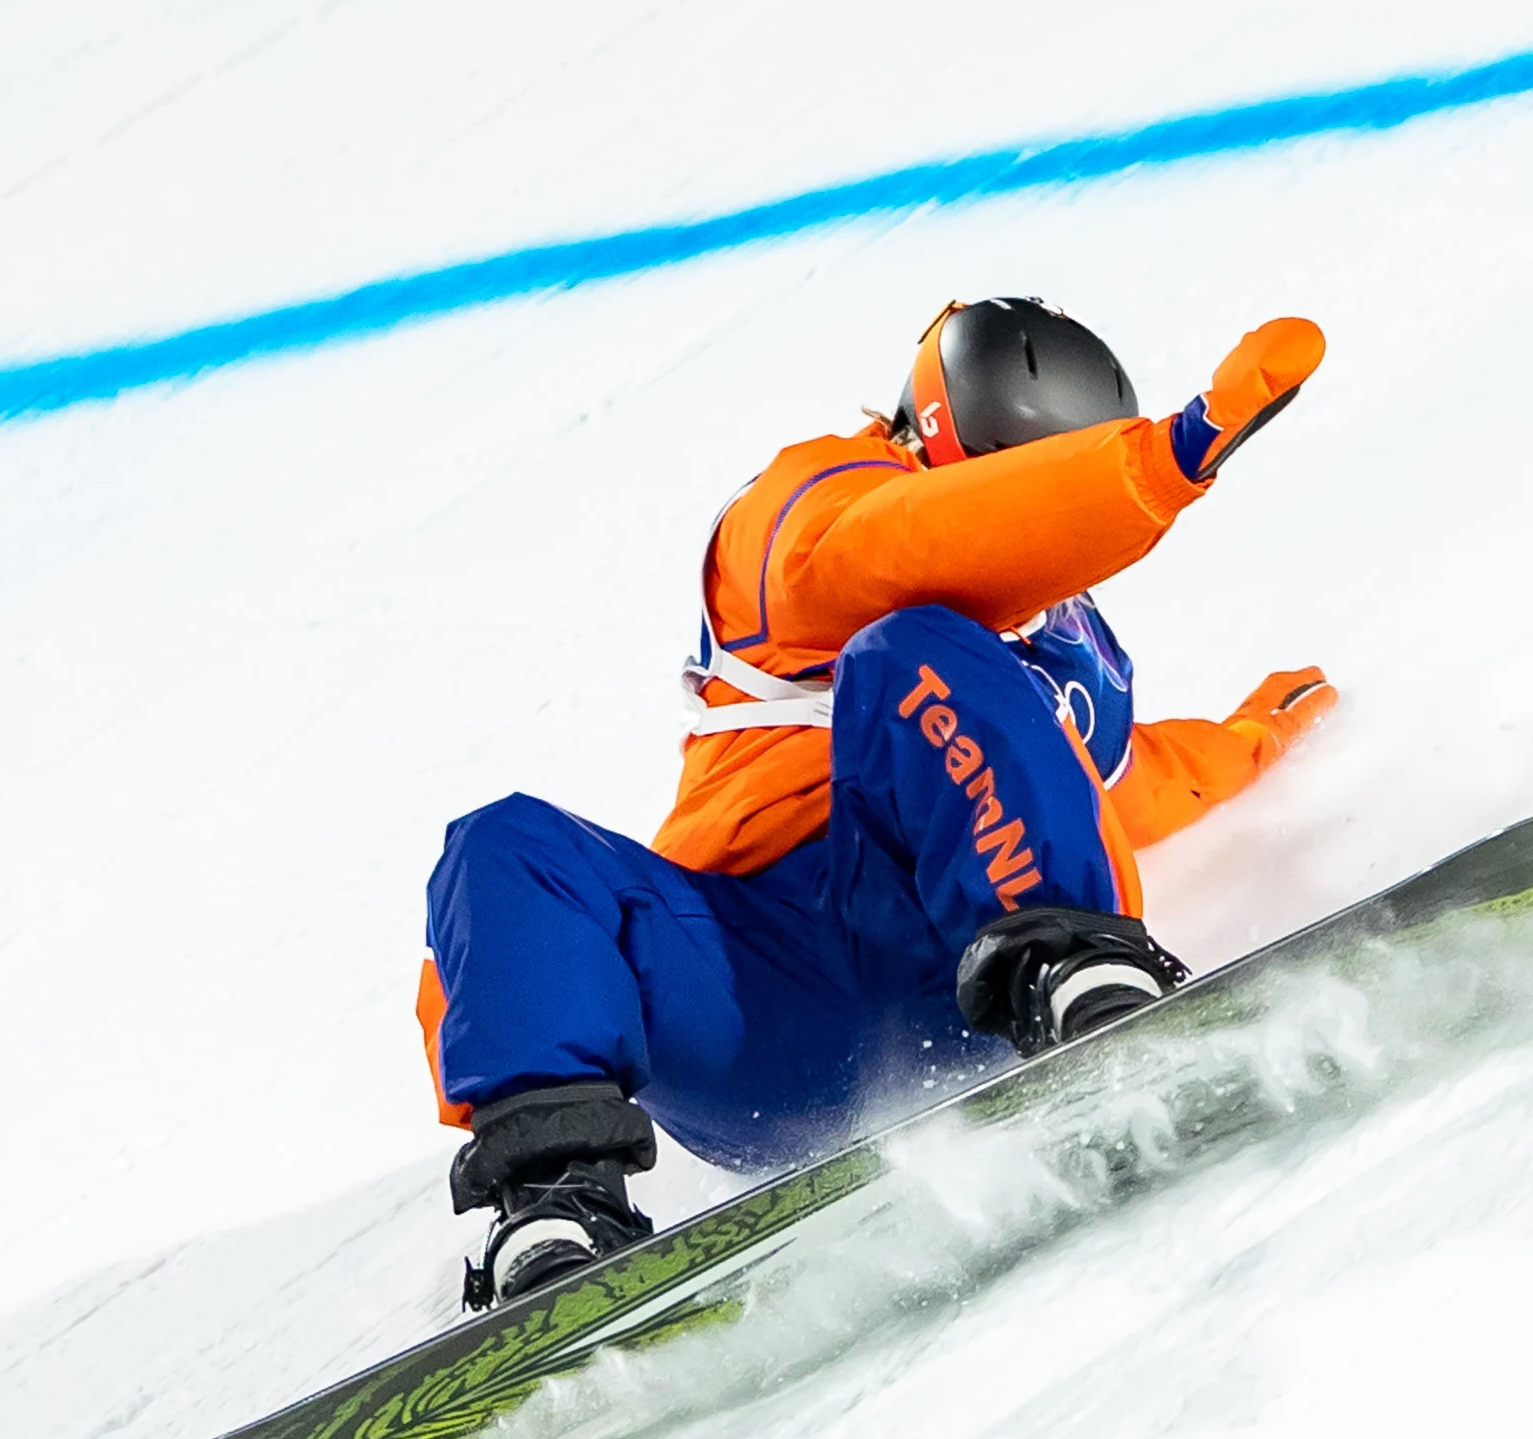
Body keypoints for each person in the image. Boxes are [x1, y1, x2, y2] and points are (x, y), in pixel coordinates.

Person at [416, 297, 1338, 1307]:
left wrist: (1252, 740)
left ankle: (1084, 987)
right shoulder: (810, 507)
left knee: (926, 654)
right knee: (504, 848)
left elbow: (1112, 784)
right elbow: (906, 541)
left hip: (957, 963)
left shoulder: (1057, 645)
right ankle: (555, 1204)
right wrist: (1155, 467)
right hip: (750, 993)